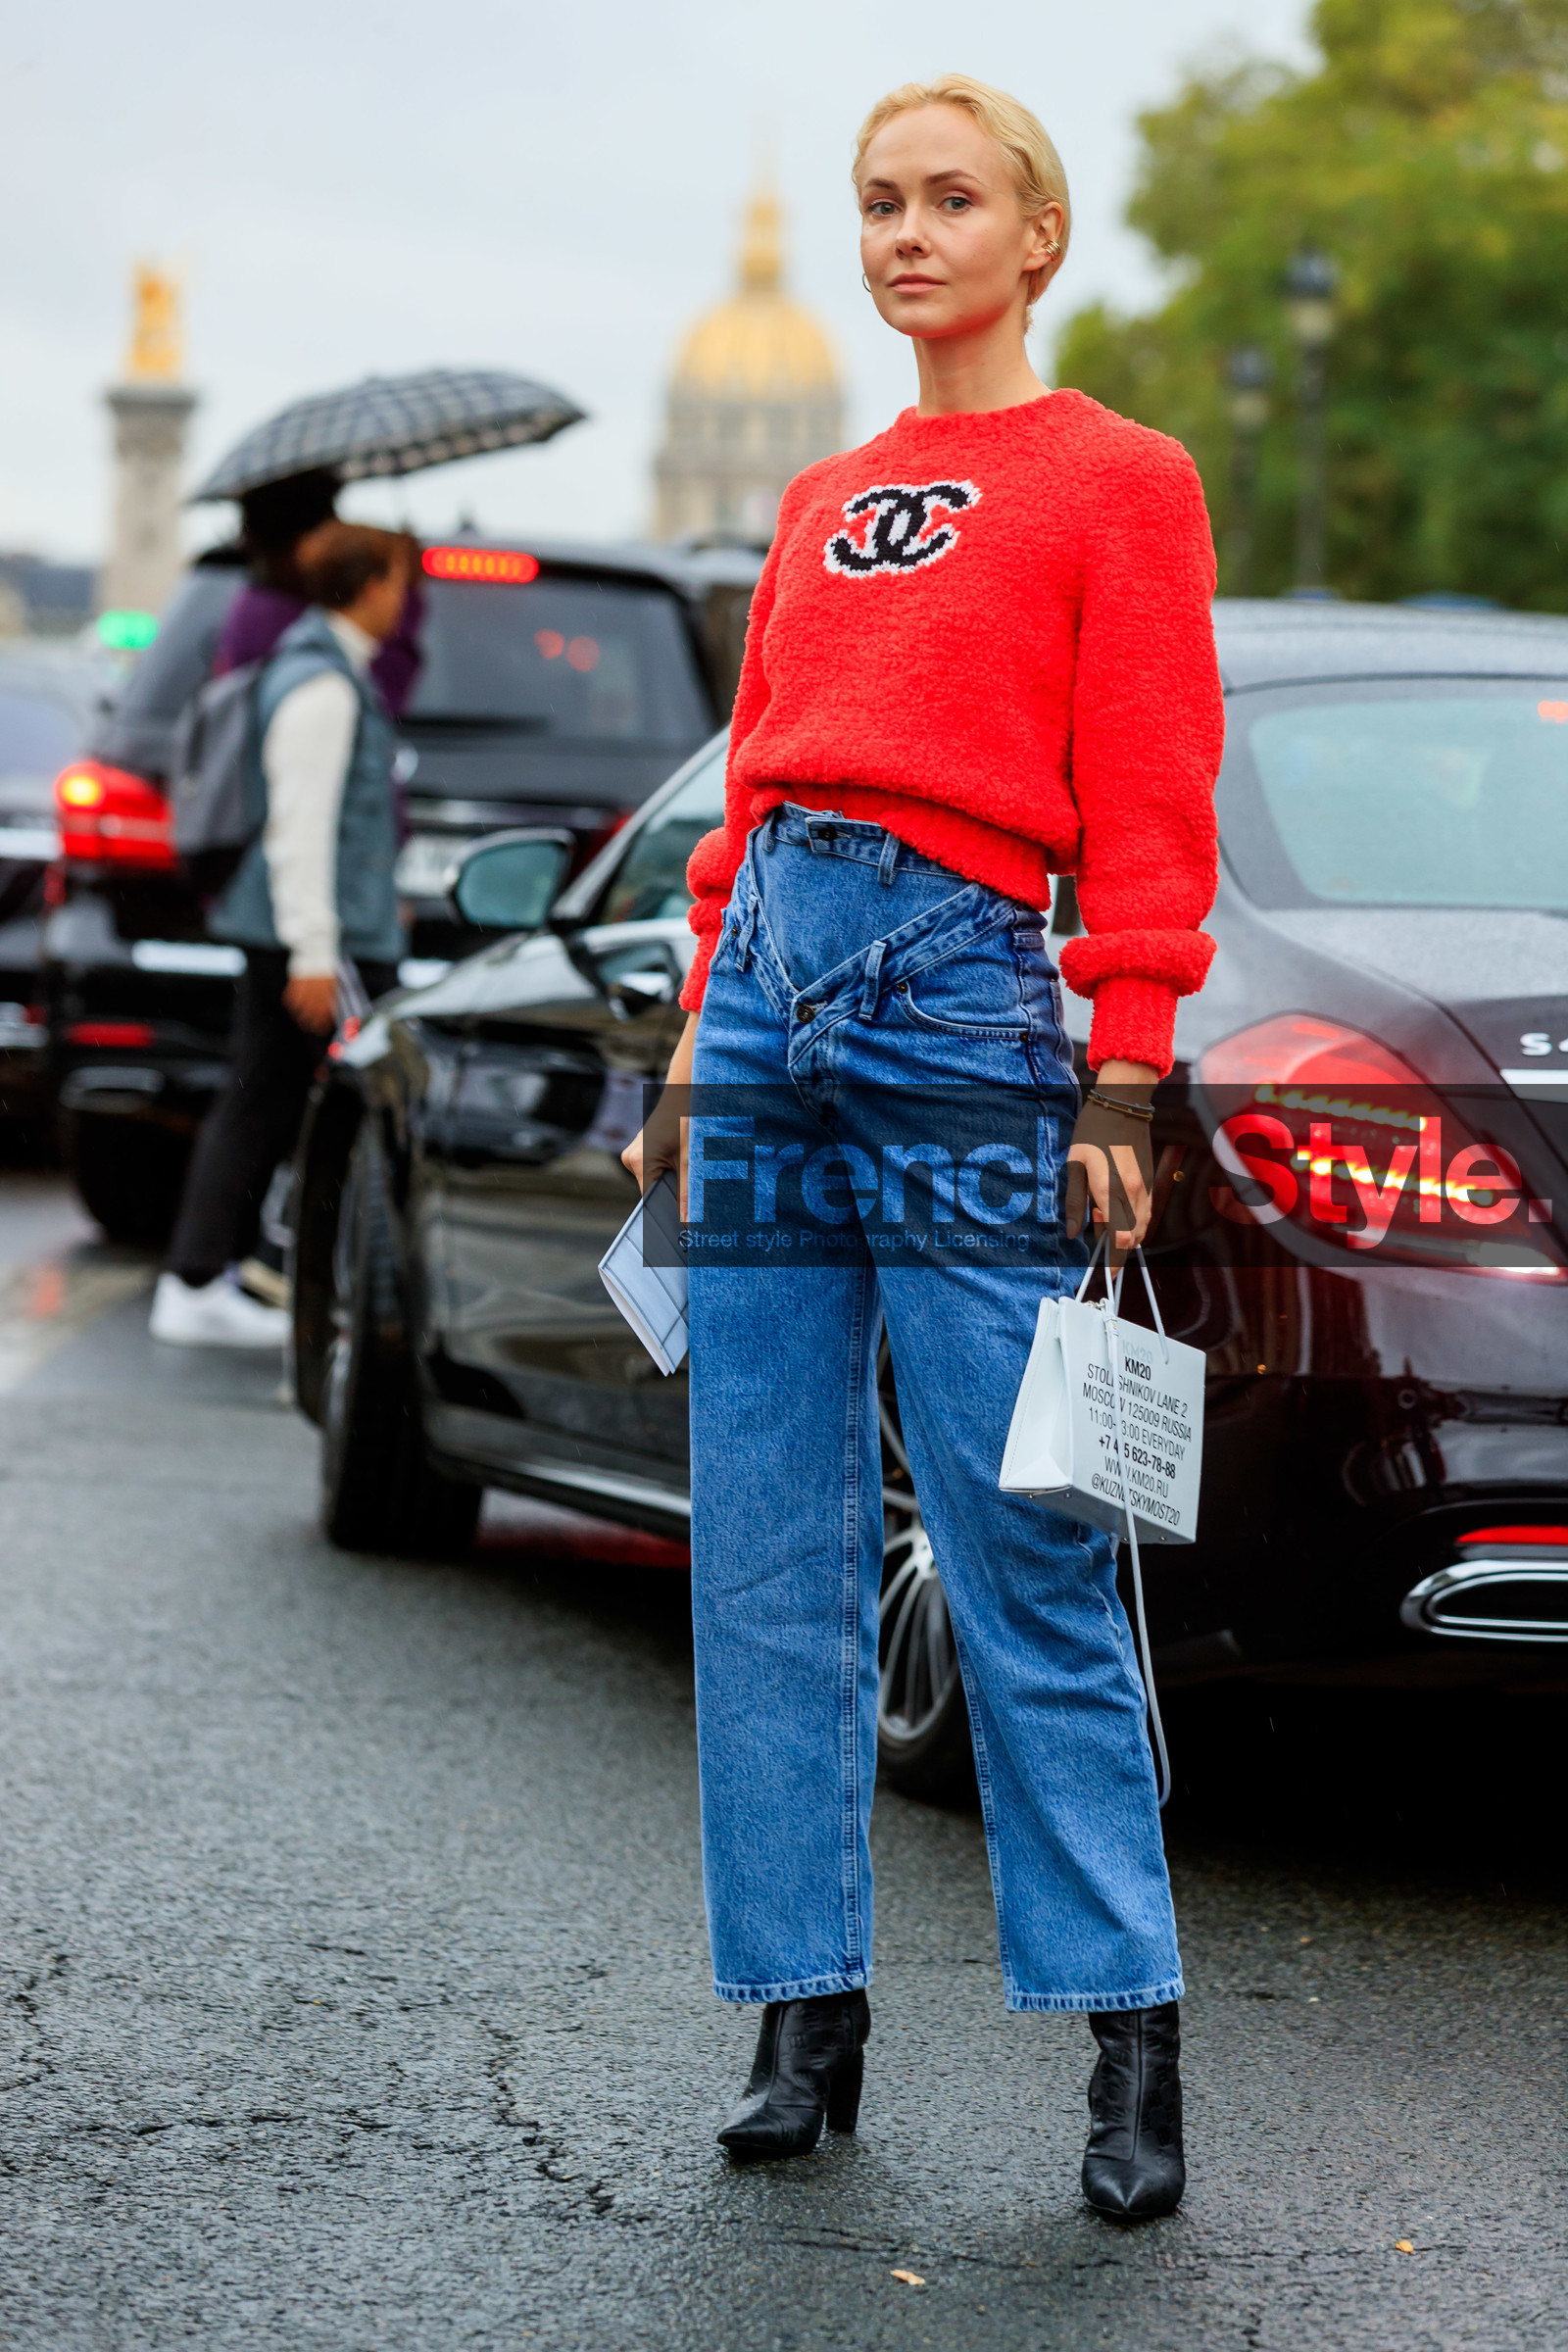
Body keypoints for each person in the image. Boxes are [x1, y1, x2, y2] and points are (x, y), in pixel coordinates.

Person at [623, 75, 1223, 2220]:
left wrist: (1126, 1067)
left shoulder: (1115, 482)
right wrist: (697, 1060)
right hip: (773, 995)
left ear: (1035, 237)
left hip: (964, 1004)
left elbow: (1149, 798)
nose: (901, 233)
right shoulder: (818, 498)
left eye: (947, 199)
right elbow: (750, 798)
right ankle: (803, 2006)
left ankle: (1121, 2028)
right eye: (877, 199)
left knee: (1016, 1531)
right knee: (764, 1538)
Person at [150, 525, 413, 1348]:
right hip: (298, 943)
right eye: (399, 580)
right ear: (366, 586)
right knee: (269, 1103)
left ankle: (220, 1274)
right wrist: (313, 953)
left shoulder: (329, 674)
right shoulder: (321, 688)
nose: (405, 600)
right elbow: (299, 830)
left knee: (264, 1101)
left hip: (309, 935)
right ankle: (199, 1280)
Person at [215, 469, 426, 719]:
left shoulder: (260, 609)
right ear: (304, 546)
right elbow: (381, 697)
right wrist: (403, 595)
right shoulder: (302, 643)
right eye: (329, 528)